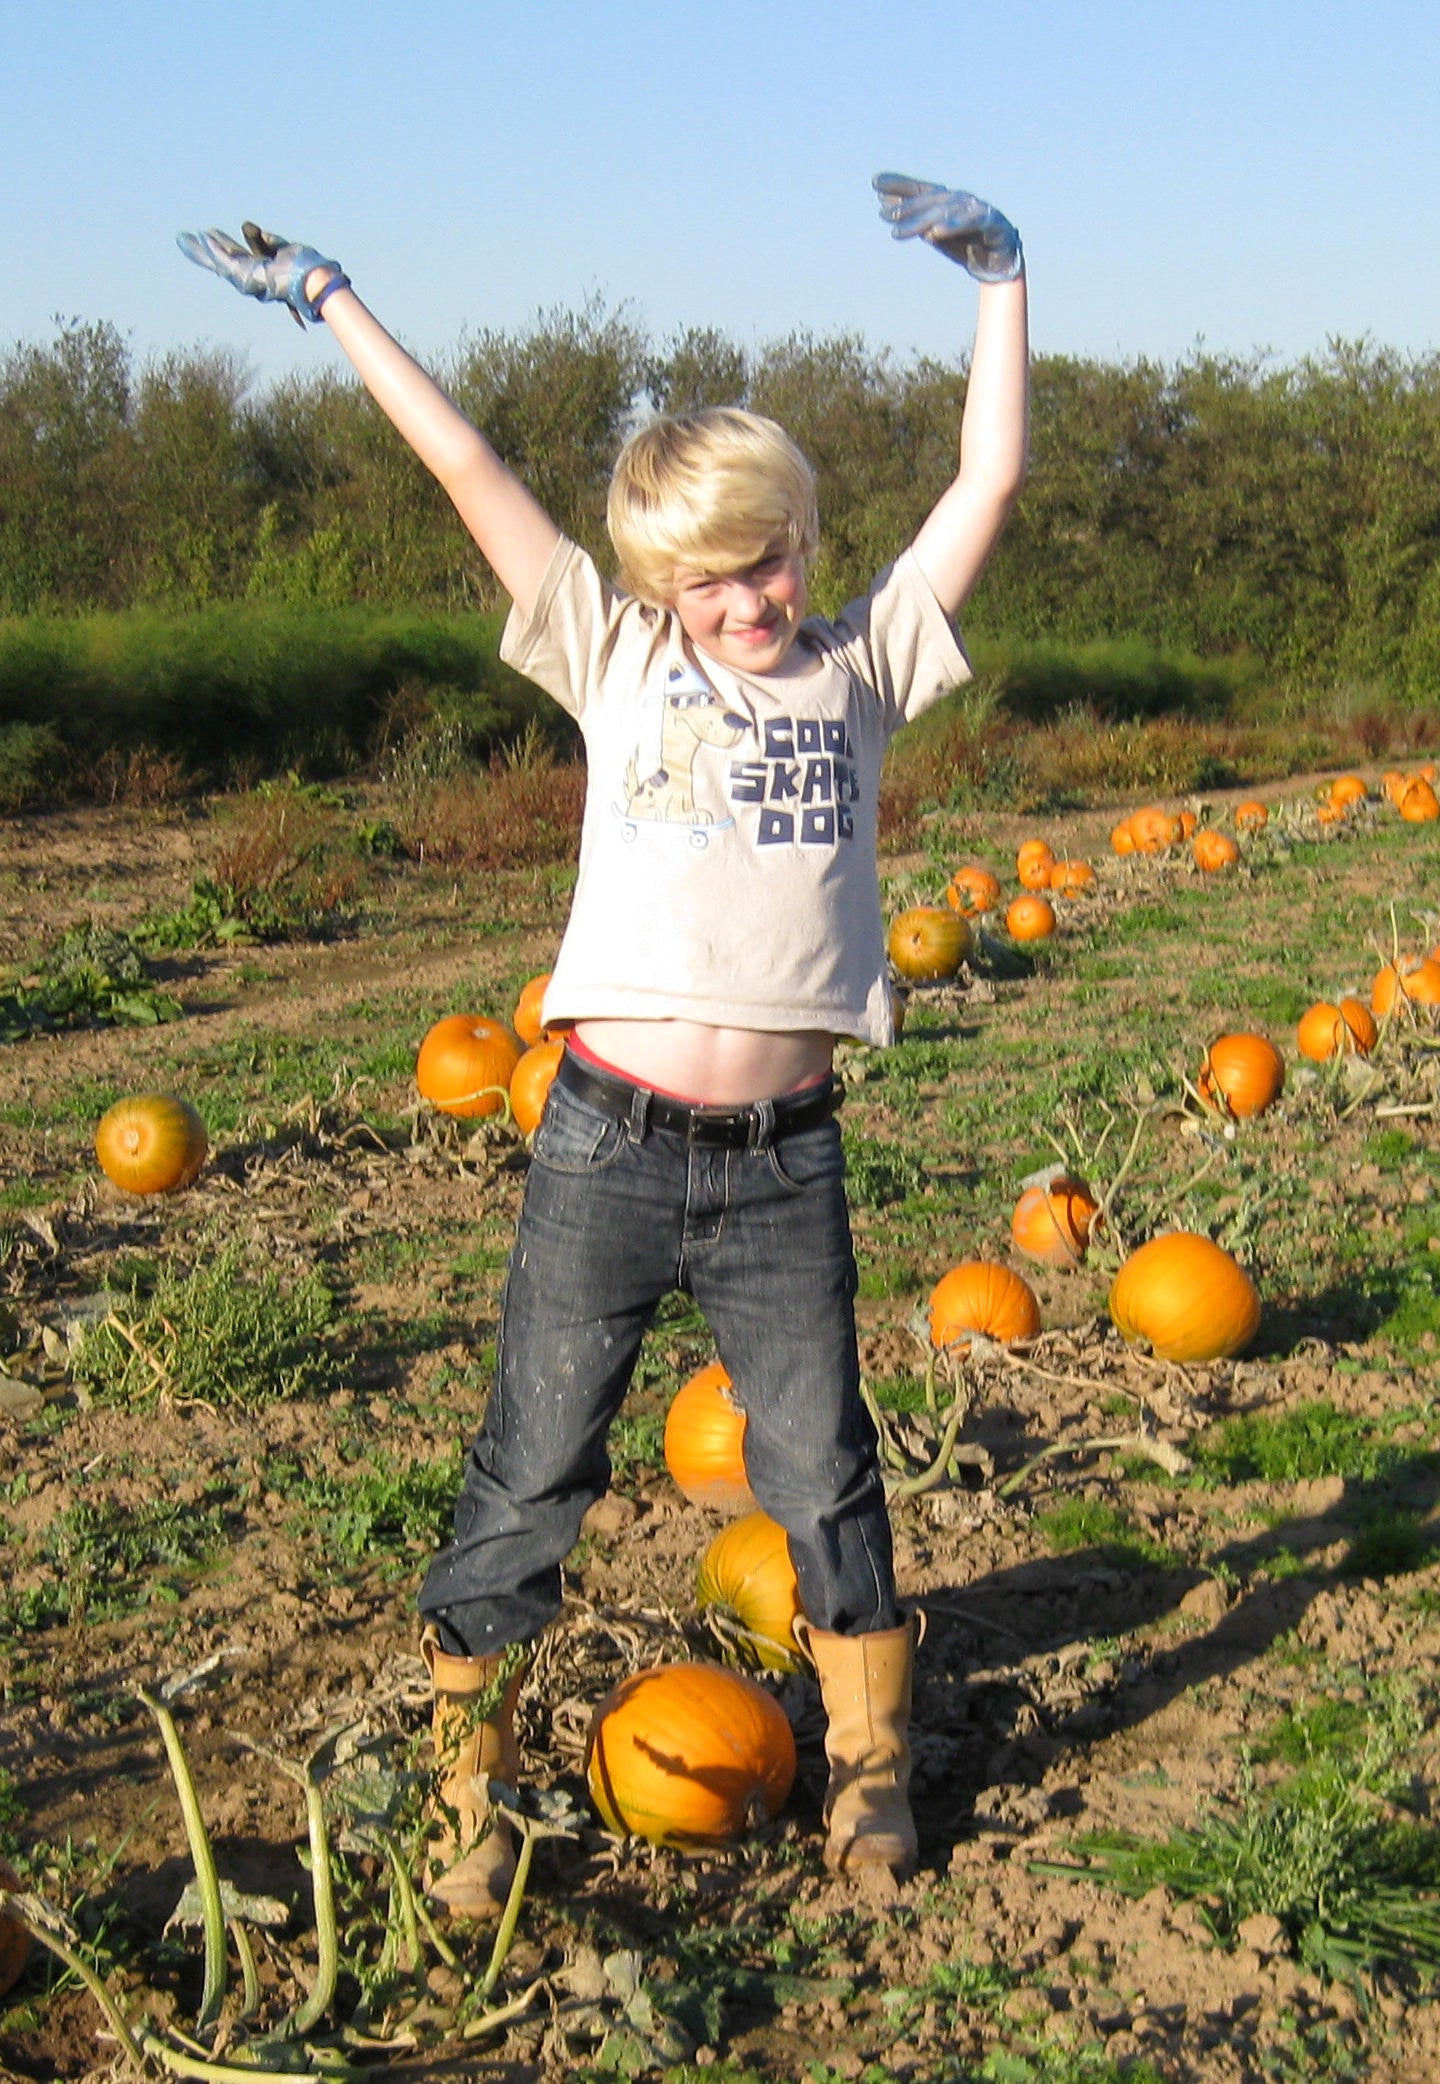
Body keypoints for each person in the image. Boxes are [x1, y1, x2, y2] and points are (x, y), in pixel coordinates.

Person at [179, 175, 1029, 1913]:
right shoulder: (616, 655)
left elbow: (987, 480)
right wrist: (331, 295)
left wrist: (1003, 280)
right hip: (606, 1145)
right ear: (658, 579)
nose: (751, 597)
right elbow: (470, 471)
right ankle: (468, 1790)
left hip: (785, 1162)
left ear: (806, 533)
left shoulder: (861, 667)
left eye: (773, 553)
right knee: (534, 1464)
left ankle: (868, 1769)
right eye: (711, 574)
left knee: (820, 1463)